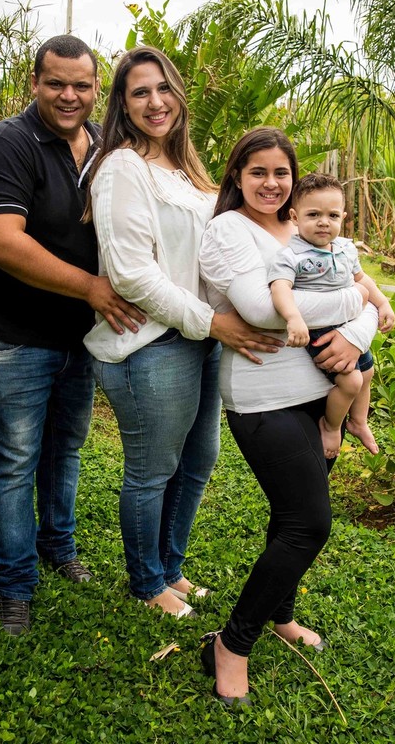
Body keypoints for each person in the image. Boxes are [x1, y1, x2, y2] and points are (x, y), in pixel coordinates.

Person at [84, 47, 280, 618]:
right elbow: (130, 271)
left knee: (197, 462)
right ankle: (146, 582)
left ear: (179, 96)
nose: (155, 101)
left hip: (200, 340)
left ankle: (170, 567)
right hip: (152, 343)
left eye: (163, 88)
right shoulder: (122, 166)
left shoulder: (191, 172)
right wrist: (214, 321)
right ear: (122, 102)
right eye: (139, 91)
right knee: (152, 470)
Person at [0, 35, 145, 636]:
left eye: (82, 85)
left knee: (65, 450)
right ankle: (13, 588)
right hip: (11, 336)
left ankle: (57, 548)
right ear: (34, 83)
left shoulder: (105, 148)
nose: (70, 95)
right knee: (14, 462)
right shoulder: (6, 145)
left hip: (77, 339)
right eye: (56, 83)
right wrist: (92, 289)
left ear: (98, 90)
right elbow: (1, 241)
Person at [197, 127, 378, 706]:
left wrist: (356, 330)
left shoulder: (308, 230)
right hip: (262, 398)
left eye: (281, 173)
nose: (271, 183)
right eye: (258, 172)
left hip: (320, 393)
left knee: (290, 515)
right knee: (309, 523)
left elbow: (360, 293)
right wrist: (361, 304)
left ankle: (281, 615)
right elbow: (258, 307)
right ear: (237, 178)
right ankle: (231, 643)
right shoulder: (230, 230)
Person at [269, 172, 395, 459]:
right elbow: (280, 288)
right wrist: (293, 318)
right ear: (294, 216)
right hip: (319, 330)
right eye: (313, 214)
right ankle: (331, 424)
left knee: (368, 372)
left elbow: (362, 279)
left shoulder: (345, 248)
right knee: (350, 382)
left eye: (332, 215)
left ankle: (359, 421)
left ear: (343, 217)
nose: (324, 222)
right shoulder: (292, 255)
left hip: (348, 324)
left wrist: (383, 303)